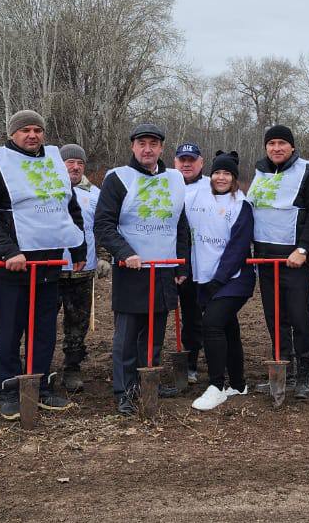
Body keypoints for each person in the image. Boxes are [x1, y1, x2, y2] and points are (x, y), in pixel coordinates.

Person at [0, 110, 85, 420]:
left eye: (37, 129)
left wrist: (79, 245)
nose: (32, 135)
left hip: (48, 265)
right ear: (12, 134)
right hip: (10, 268)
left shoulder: (54, 164)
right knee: (9, 331)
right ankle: (8, 389)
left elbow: (68, 207)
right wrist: (8, 250)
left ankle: (41, 385)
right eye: (25, 130)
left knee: (44, 330)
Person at [93, 123, 191, 416]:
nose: (147, 149)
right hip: (132, 269)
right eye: (141, 144)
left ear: (161, 148)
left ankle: (149, 379)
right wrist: (126, 253)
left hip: (163, 269)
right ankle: (124, 389)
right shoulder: (118, 179)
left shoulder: (174, 179)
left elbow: (181, 224)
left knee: (155, 331)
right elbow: (103, 225)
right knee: (128, 334)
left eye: (153, 144)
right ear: (133, 147)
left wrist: (181, 261)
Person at [247, 124, 309, 399]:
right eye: (271, 144)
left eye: (282, 143)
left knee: (299, 315)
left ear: (292, 146)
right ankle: (283, 369)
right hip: (265, 257)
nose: (276, 148)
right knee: (274, 316)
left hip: (293, 257)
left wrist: (303, 249)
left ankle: (304, 374)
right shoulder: (260, 172)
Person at [186, 152, 256, 410]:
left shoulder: (241, 205)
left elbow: (237, 249)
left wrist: (218, 280)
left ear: (234, 178)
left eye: (227, 173)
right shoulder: (200, 197)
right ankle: (238, 383)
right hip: (204, 276)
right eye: (217, 172)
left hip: (233, 279)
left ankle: (216, 386)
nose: (221, 177)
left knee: (212, 324)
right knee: (228, 328)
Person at [57, 143, 110, 394]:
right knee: (43, 321)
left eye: (80, 163)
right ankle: (41, 367)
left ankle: (72, 367)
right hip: (52, 268)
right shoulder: (50, 190)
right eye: (70, 162)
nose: (75, 167)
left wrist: (103, 256)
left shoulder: (96, 194)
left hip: (82, 269)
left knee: (77, 322)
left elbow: (103, 226)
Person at [174, 142, 206, 384]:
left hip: (202, 262)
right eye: (182, 160)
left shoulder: (212, 186)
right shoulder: (165, 183)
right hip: (170, 260)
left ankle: (196, 362)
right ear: (175, 162)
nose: (187, 164)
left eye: (191, 160)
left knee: (198, 316)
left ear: (200, 162)